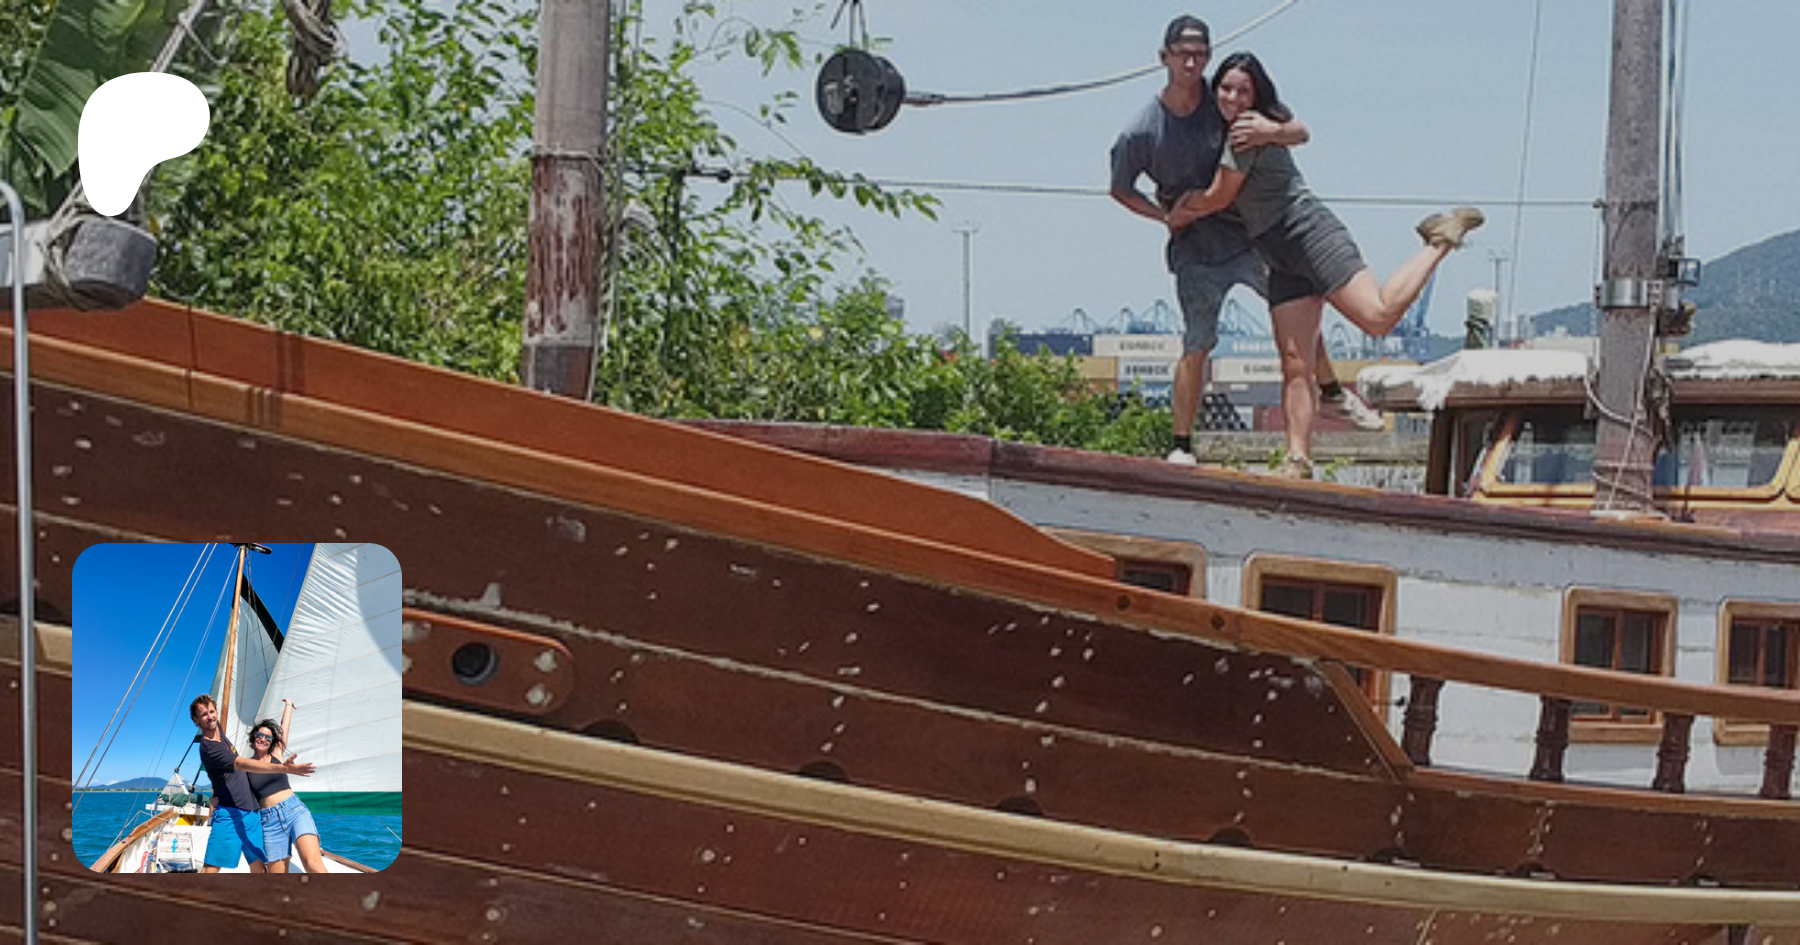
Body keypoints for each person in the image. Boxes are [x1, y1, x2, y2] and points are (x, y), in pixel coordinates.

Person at [1168, 51, 1483, 477]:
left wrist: (1181, 209)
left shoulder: (1245, 132)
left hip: (1309, 232)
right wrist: (1280, 130)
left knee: (1377, 317)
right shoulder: (1245, 128)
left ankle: (1438, 241)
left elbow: (1219, 197)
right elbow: (1298, 131)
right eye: (1226, 88)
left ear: (1256, 94)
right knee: (1295, 363)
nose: (1233, 98)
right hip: (1277, 251)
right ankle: (1297, 459)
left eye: (1243, 91)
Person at [1110, 15, 1384, 470]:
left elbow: (1297, 130)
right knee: (1198, 341)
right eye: (1183, 54)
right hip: (1195, 247)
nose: (1192, 63)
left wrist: (1272, 132)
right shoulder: (1142, 130)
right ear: (1164, 58)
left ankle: (1333, 393)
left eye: (1200, 54)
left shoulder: (1226, 98)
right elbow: (1120, 189)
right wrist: (1166, 217)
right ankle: (1181, 444)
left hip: (1249, 236)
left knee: (1298, 319)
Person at [190, 693, 315, 872]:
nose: (210, 716)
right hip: (231, 814)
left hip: (253, 815)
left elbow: (283, 730)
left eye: (212, 711)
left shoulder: (219, 731)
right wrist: (283, 768)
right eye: (204, 714)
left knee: (260, 869)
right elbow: (240, 764)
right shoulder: (210, 747)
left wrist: (288, 705)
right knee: (211, 868)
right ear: (196, 720)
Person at [248, 698, 329, 873]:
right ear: (254, 736)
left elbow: (284, 727)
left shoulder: (277, 753)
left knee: (312, 864)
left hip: (294, 810)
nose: (263, 739)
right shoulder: (246, 766)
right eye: (260, 735)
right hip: (268, 821)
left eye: (268, 737)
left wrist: (288, 705)